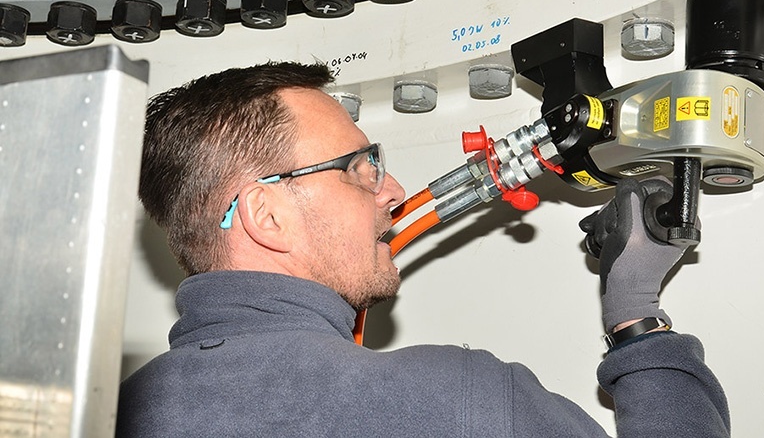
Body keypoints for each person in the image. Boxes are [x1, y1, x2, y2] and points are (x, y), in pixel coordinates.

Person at [117, 61, 730, 438]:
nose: (393, 190)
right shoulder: (459, 402)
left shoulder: (101, 416)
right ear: (266, 215)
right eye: (358, 168)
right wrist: (636, 316)